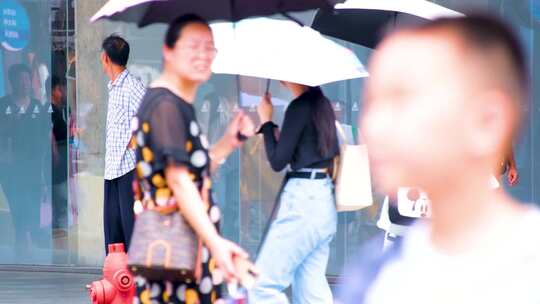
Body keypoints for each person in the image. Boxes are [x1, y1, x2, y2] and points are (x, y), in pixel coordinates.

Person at [337, 14, 540, 304]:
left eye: (402, 99)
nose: (374, 125)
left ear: (488, 120)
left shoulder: (530, 271)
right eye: (372, 102)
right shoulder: (372, 274)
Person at [131, 14, 255, 303]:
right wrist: (218, 246)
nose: (203, 55)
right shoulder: (165, 106)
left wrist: (228, 142)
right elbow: (179, 182)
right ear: (168, 51)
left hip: (185, 253)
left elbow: (192, 174)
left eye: (209, 47)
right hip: (176, 255)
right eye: (194, 47)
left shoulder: (177, 104)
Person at [250, 82, 339, 303]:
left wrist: (266, 121)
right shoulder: (322, 106)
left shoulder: (299, 107)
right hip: (323, 197)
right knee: (312, 290)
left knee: (261, 286)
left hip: (302, 200)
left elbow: (278, 161)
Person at [100, 35, 146, 253]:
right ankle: (116, 283)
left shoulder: (133, 87)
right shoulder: (114, 87)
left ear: (105, 58)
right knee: (113, 234)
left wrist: (133, 142)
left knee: (131, 232)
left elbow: (151, 122)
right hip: (112, 170)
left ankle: (137, 284)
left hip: (129, 170)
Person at [0, 64, 50, 259]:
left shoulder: (38, 106)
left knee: (32, 204)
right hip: (10, 168)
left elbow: (44, 136)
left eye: (27, 79)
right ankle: (22, 242)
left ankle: (27, 242)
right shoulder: (3, 106)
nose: (24, 83)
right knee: (17, 204)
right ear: (12, 82)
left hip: (33, 167)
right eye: (20, 79)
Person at [47, 75, 69, 238]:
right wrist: (55, 155)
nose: (63, 91)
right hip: (57, 170)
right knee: (61, 205)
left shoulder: (59, 109)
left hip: (61, 168)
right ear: (54, 90)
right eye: (60, 88)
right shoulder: (50, 111)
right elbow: (49, 135)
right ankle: (60, 239)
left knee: (61, 205)